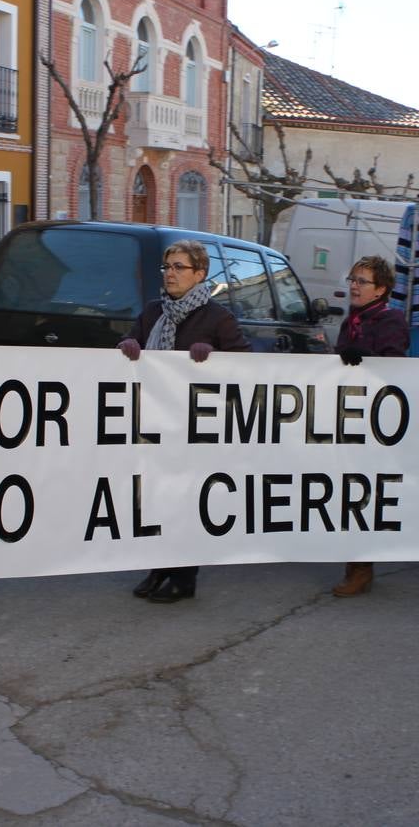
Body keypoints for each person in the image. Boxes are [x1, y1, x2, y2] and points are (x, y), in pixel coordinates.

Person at [119, 240, 250, 603]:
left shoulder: (217, 318)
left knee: (185, 500)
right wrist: (128, 345)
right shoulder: (152, 312)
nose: (170, 274)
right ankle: (159, 566)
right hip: (155, 421)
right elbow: (133, 340)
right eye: (167, 267)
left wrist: (216, 358)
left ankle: (184, 577)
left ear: (200, 274)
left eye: (179, 267)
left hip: (195, 427)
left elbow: (246, 365)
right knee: (155, 498)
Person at [330, 255, 409, 597]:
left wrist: (358, 355)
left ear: (381, 289)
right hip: (350, 415)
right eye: (352, 278)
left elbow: (393, 367)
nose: (354, 285)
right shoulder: (353, 320)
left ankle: (361, 567)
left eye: (362, 281)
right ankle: (353, 562)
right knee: (347, 489)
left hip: (375, 420)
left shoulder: (391, 321)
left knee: (362, 492)